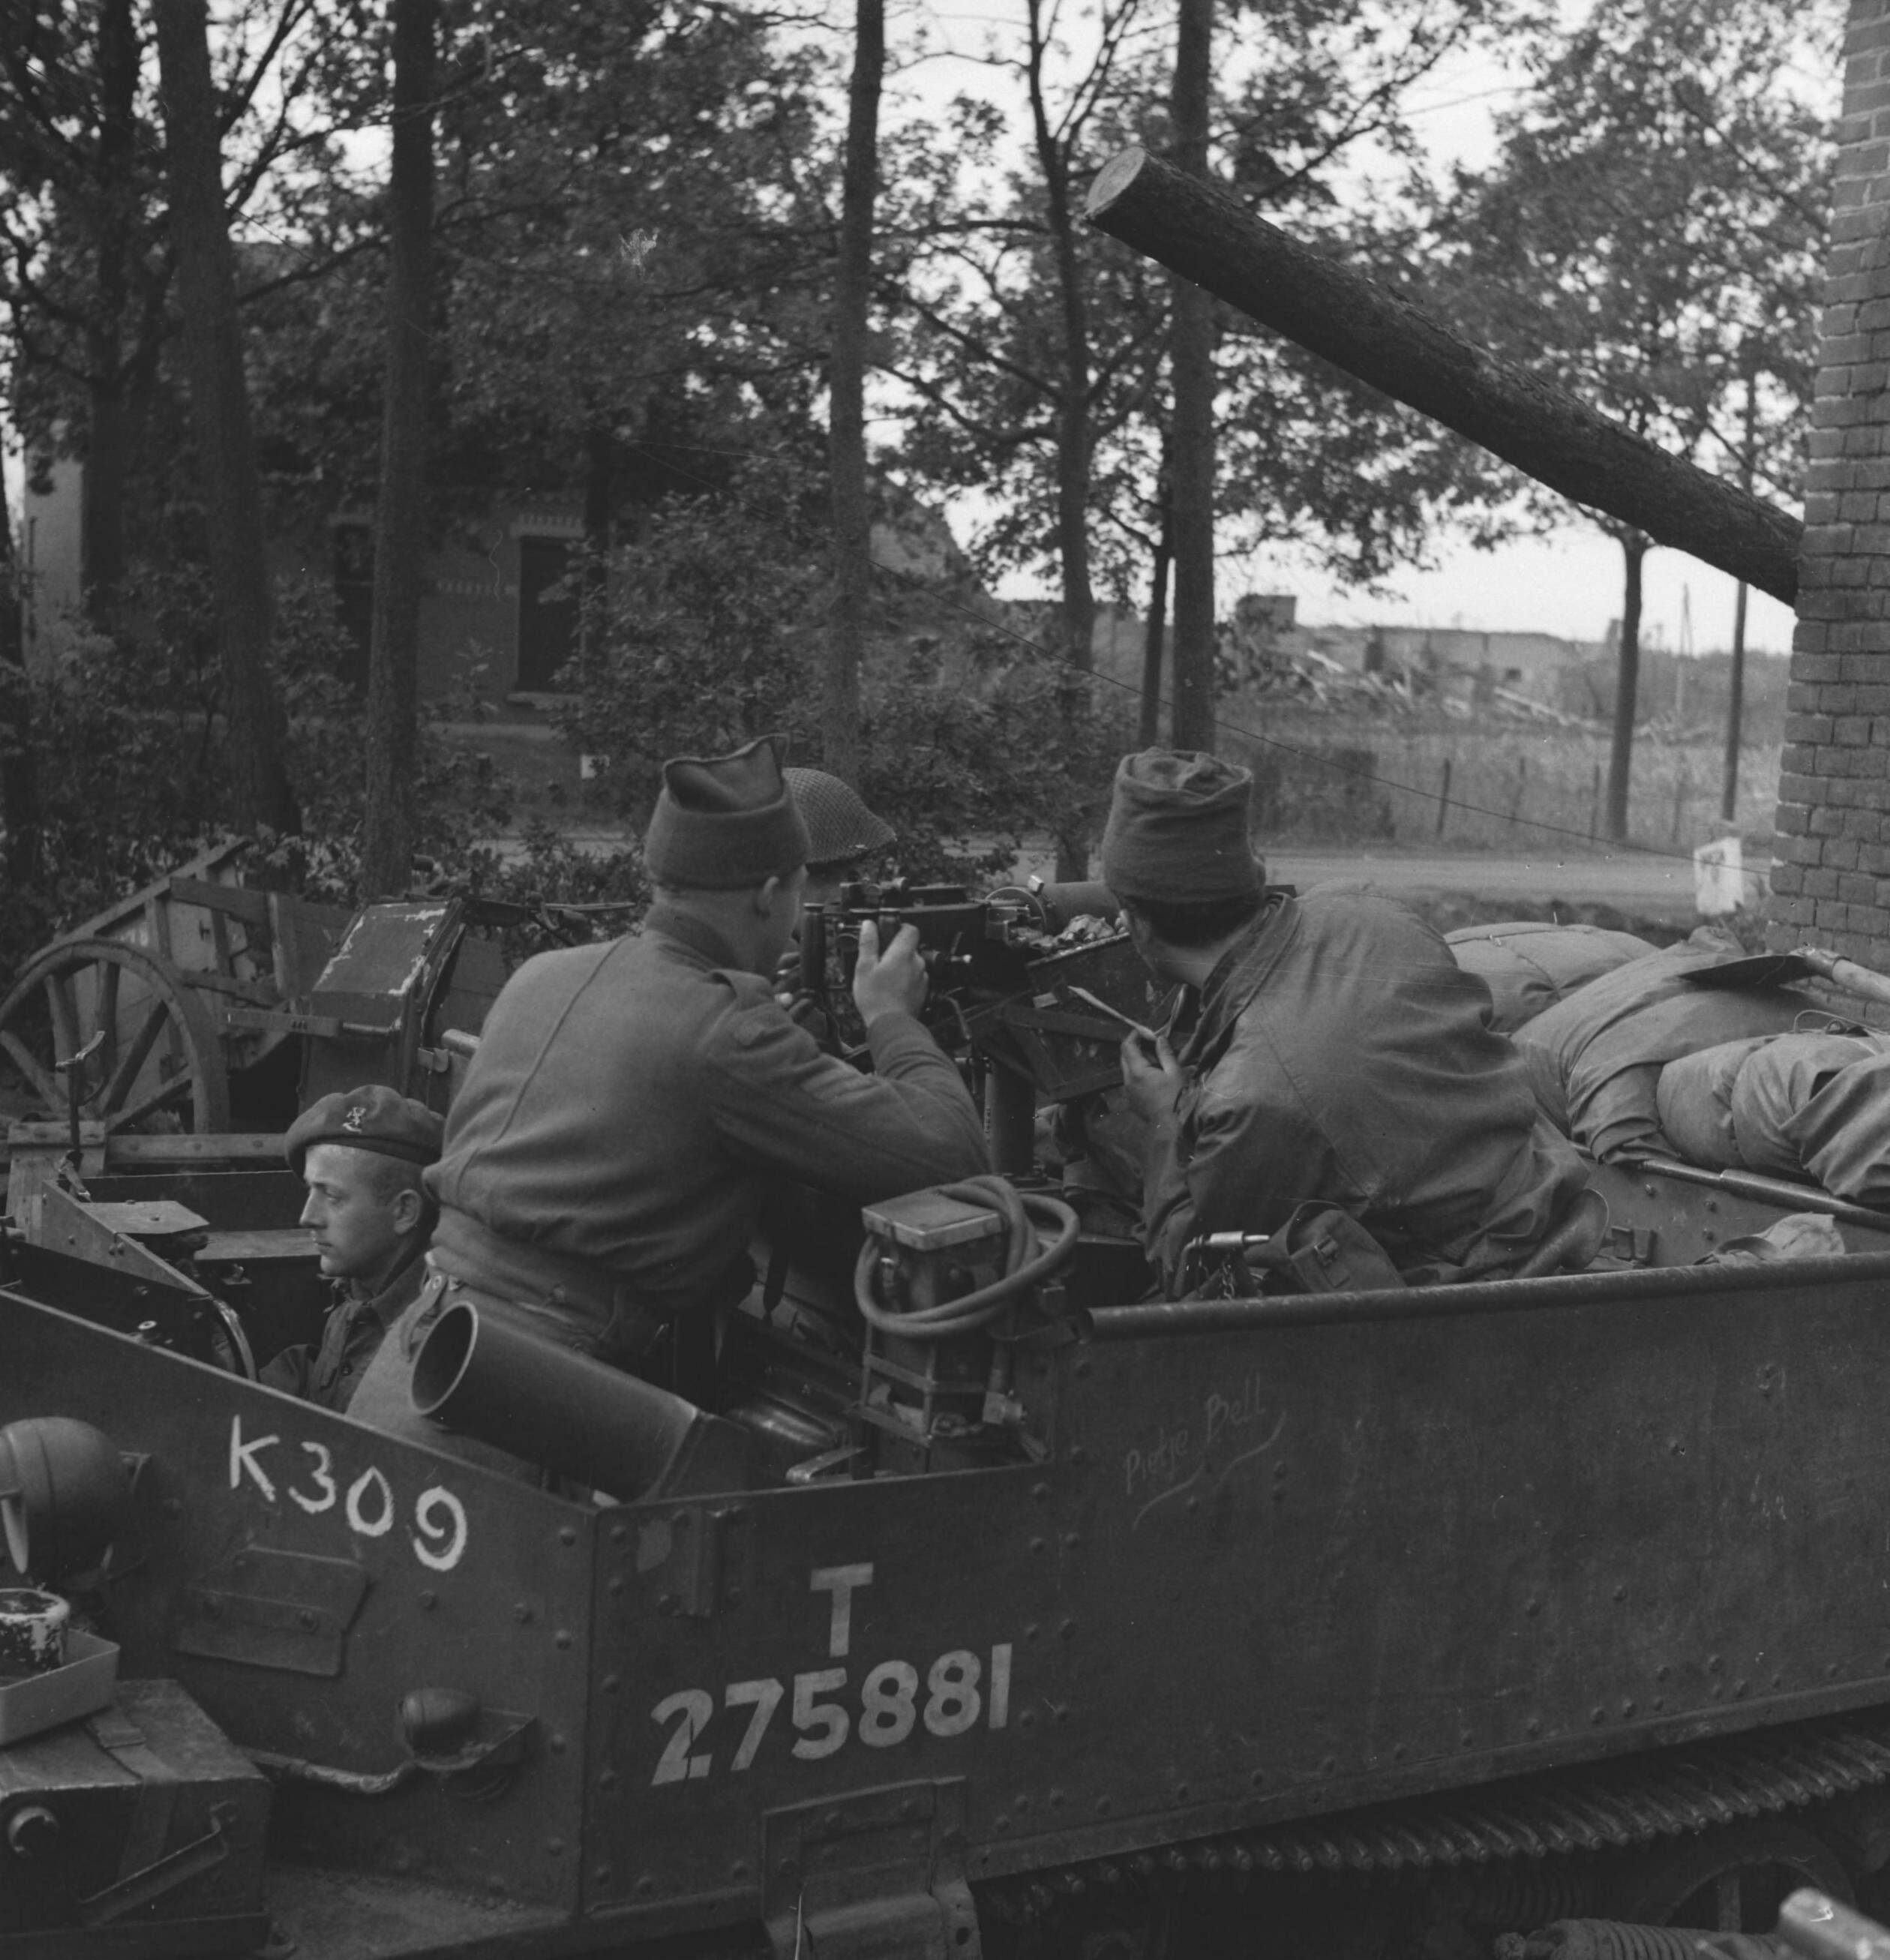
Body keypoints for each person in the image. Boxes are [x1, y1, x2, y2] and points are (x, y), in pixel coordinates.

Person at [352, 734, 989, 1438]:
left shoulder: (543, 974)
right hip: (521, 1404)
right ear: (770, 894)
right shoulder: (729, 1031)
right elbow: (952, 1150)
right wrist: (891, 1016)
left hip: (418, 1361)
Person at [1102, 748, 1587, 1295]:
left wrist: (1163, 1122)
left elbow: (1188, 1267)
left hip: (1472, 1278)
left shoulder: (1257, 1097)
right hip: (1546, 1187)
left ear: (1136, 923)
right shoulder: (1362, 907)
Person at [260, 1085, 443, 1411]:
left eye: (332, 1196)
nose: (307, 1217)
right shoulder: (359, 1288)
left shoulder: (432, 1347)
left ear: (404, 1212)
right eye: (310, 1190)